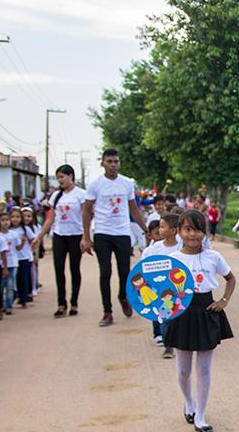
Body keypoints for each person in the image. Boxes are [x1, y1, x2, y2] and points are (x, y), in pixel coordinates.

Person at [163, 210, 236, 432]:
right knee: (183, 370)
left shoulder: (213, 257)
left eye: (197, 229)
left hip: (206, 312)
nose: (192, 234)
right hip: (181, 314)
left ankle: (201, 416)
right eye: (187, 229)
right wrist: (163, 309)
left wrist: (223, 300)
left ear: (204, 232)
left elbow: (230, 278)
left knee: (204, 369)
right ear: (179, 232)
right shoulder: (172, 260)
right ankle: (189, 403)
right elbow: (160, 291)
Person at [81, 149, 147, 327]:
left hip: (123, 233)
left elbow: (133, 208)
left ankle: (123, 297)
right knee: (105, 272)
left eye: (116, 161)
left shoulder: (126, 183)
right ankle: (107, 311)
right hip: (102, 233)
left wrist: (145, 229)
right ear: (103, 163)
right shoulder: (95, 184)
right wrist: (86, 237)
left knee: (125, 272)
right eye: (109, 161)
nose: (113, 165)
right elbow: (87, 211)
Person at [33, 165, 86, 318]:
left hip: (76, 235)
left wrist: (86, 236)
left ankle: (74, 302)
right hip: (59, 235)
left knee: (74, 269)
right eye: (58, 178)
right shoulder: (56, 196)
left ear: (71, 176)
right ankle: (61, 303)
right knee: (58, 269)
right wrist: (39, 237)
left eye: (62, 177)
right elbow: (50, 218)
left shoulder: (81, 194)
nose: (60, 180)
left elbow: (85, 216)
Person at [144, 212, 181, 359]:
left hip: (179, 290)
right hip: (161, 291)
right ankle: (168, 346)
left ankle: (182, 343)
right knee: (165, 319)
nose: (159, 230)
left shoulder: (182, 247)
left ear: (173, 230)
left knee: (179, 318)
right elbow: (144, 268)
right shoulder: (153, 249)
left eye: (162, 227)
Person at [15, 207, 38, 308]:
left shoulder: (25, 229)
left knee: (24, 278)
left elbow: (34, 240)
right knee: (16, 278)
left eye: (17, 217)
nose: (15, 219)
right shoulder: (9, 230)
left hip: (25, 257)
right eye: (13, 217)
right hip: (13, 258)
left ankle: (24, 298)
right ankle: (18, 295)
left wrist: (34, 252)